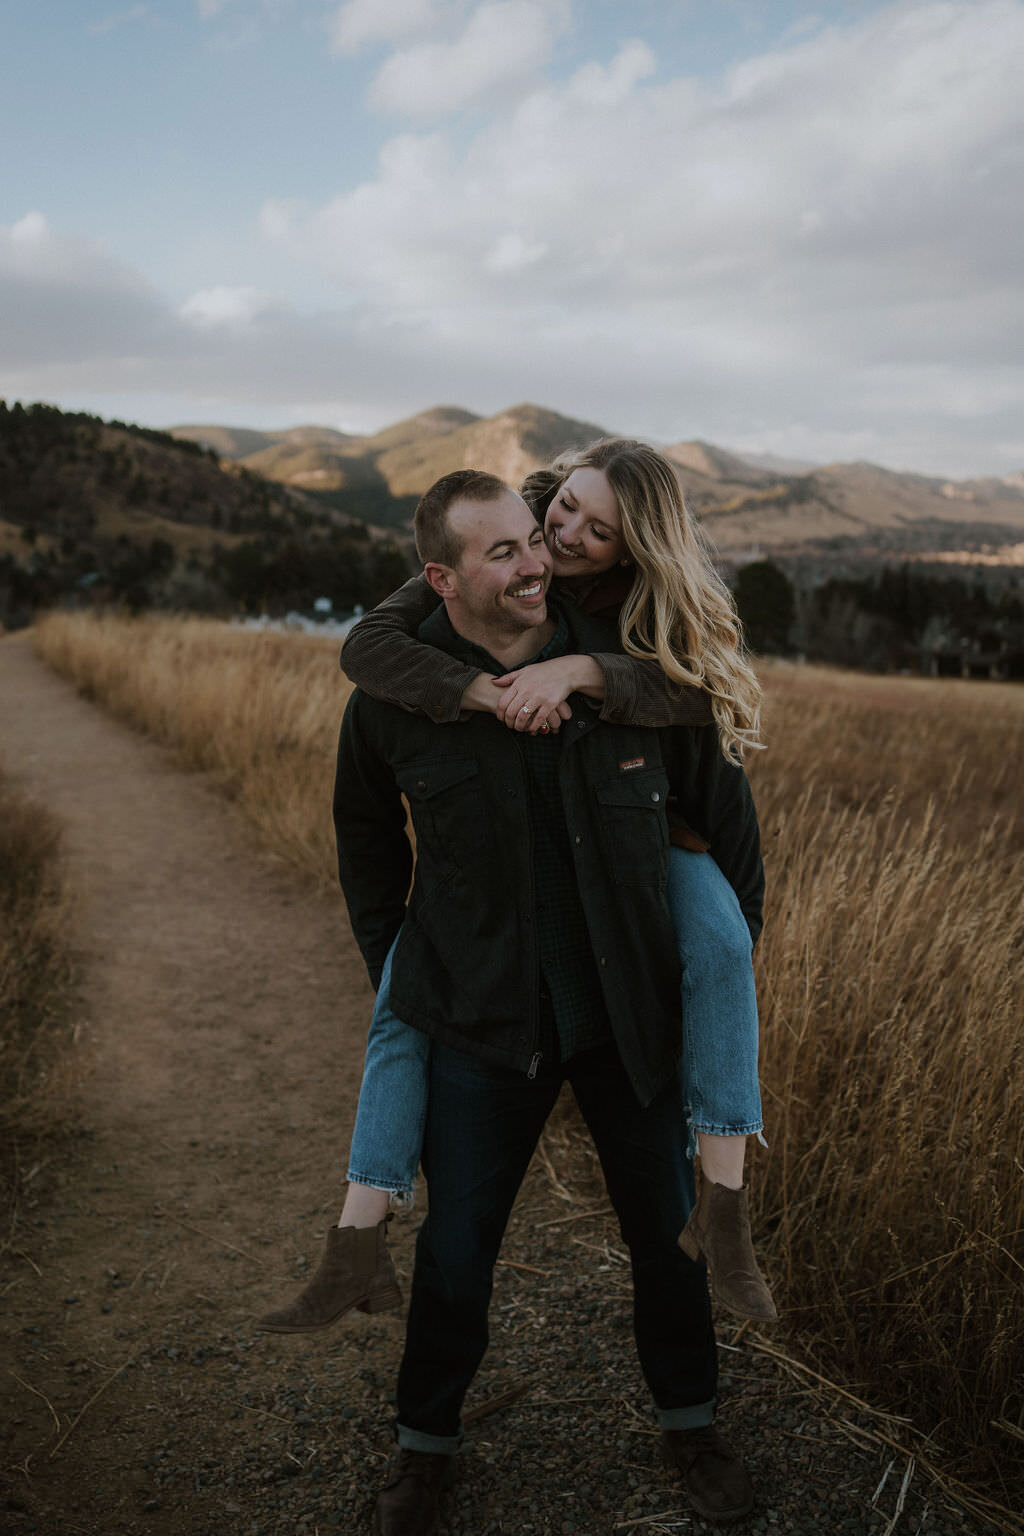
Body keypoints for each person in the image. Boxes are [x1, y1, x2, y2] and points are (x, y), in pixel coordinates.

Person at [258, 438, 775, 1347]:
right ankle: (365, 1268)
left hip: (648, 898)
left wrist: (582, 672)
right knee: (404, 1032)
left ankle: (720, 1229)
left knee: (724, 953)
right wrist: (480, 693)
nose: (560, 541)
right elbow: (369, 652)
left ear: (634, 548)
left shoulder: (638, 628)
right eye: (558, 512)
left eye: (593, 530)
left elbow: (704, 737)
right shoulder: (477, 574)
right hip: (490, 992)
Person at [330, 469, 764, 1531]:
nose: (537, 561)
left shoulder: (620, 672)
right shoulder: (398, 696)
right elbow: (366, 844)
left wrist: (720, 941)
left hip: (626, 1021)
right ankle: (424, 1446)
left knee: (667, 1245)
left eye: (541, 539)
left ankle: (692, 1428)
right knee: (458, 1247)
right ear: (442, 578)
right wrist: (406, 963)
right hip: (484, 1025)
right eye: (506, 552)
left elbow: (722, 800)